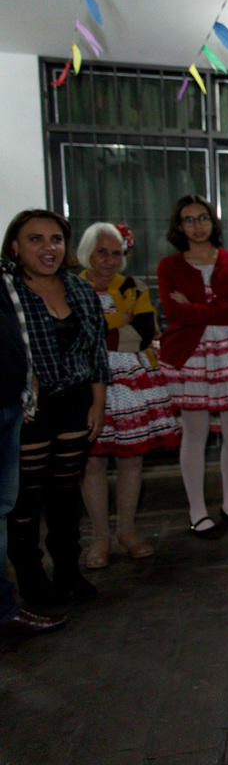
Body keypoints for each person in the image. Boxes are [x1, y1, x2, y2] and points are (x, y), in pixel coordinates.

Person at [3, 210, 109, 605]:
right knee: (26, 499)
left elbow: (97, 349)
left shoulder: (80, 290)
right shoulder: (7, 290)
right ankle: (31, 582)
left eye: (56, 239)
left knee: (65, 495)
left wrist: (98, 402)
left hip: (76, 403)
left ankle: (67, 572)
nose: (48, 248)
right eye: (35, 239)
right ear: (14, 246)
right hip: (29, 408)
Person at [157, 196, 228, 539]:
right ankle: (197, 511)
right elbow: (176, 315)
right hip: (189, 356)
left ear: (213, 223)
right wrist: (223, 306)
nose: (197, 225)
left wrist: (199, 307)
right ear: (179, 227)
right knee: (195, 433)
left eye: (203, 218)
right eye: (188, 219)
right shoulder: (169, 266)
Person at [78, 222, 180, 567]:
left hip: (131, 380)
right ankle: (99, 537)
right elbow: (74, 337)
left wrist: (103, 325)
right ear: (86, 252)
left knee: (131, 459)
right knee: (92, 460)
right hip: (88, 381)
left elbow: (144, 331)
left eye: (116, 253)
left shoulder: (134, 286)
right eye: (101, 252)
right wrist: (117, 321)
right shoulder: (71, 287)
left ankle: (127, 531)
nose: (109, 260)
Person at [0, 254, 68, 634]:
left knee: (3, 508)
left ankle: (4, 610)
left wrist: (26, 391)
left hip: (10, 401)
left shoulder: (4, 277)